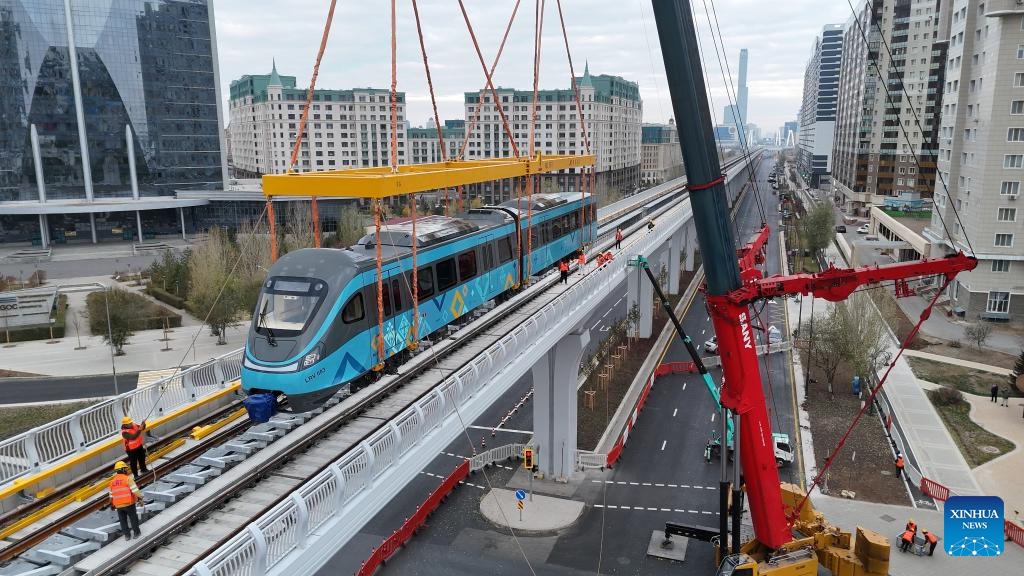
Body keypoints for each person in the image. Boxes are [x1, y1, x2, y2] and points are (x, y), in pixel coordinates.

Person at [109, 461, 143, 541]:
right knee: (133, 518)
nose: (127, 470)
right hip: (129, 503)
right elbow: (135, 491)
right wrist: (140, 498)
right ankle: (136, 533)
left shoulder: (112, 482)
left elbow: (111, 495)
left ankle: (127, 536)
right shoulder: (127, 479)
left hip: (118, 505)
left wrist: (111, 504)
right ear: (123, 469)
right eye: (125, 469)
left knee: (123, 521)